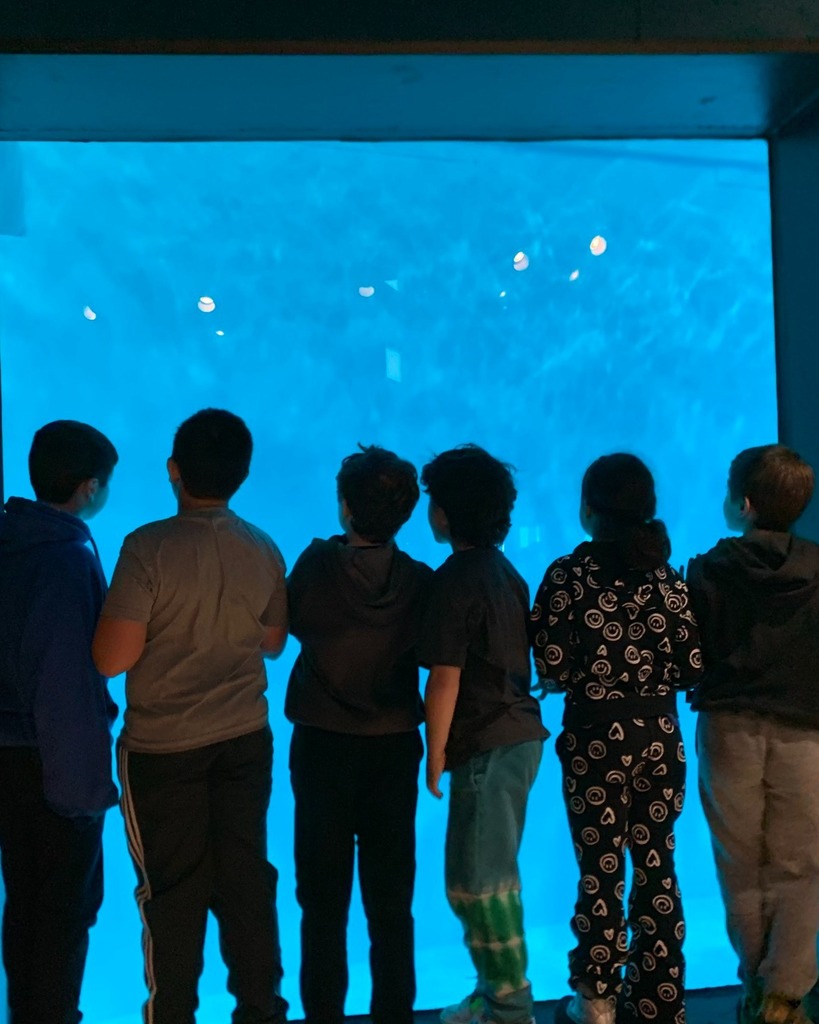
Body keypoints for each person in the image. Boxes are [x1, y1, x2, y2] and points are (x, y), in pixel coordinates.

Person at [92, 408, 288, 1024]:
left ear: (174, 471)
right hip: (244, 741)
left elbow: (111, 659)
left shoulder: (147, 548)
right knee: (246, 882)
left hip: (163, 750)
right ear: (244, 475)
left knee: (172, 892)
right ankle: (261, 1010)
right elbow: (275, 642)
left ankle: (173, 1014)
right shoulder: (263, 546)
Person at [531, 453, 702, 1024]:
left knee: (600, 866)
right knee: (657, 862)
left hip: (596, 739)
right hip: (659, 734)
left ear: (588, 511)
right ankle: (659, 998)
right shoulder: (666, 578)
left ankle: (597, 997)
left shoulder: (567, 576)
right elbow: (691, 666)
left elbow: (551, 667)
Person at [286, 444, 432, 1024]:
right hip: (395, 748)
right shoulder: (420, 581)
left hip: (322, 746)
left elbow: (290, 625)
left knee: (322, 902)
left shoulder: (316, 566)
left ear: (344, 506)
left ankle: (324, 1015)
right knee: (391, 902)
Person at [688, 444, 819, 1024]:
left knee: (739, 862)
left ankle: (754, 983)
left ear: (742, 504)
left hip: (729, 729)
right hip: (807, 734)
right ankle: (784, 995)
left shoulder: (709, 569)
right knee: (800, 864)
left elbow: (694, 656)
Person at [417, 443, 547, 1024]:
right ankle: (492, 990)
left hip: (487, 743)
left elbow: (444, 679)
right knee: (484, 870)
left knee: (480, 879)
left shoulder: (455, 580)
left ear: (444, 514)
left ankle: (508, 1005)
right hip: (517, 737)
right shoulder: (506, 572)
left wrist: (434, 752)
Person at [0, 419, 119, 1024]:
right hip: (53, 768)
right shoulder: (66, 557)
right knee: (63, 915)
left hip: (9, 761)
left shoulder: (12, 539)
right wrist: (85, 794)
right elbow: (64, 686)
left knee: (23, 910)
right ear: (89, 487)